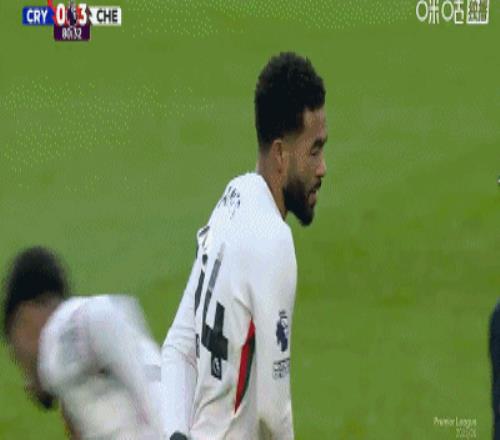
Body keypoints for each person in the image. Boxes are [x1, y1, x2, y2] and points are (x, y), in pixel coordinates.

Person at [162, 51, 328, 439]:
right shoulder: (274, 239)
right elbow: (273, 414)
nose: (322, 168)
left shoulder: (228, 206)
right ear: (281, 154)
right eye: (314, 150)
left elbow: (178, 349)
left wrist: (176, 434)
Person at [2, 246, 164, 439]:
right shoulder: (70, 382)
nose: (26, 382)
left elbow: (101, 316)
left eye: (15, 351)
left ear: (24, 318)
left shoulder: (61, 329)